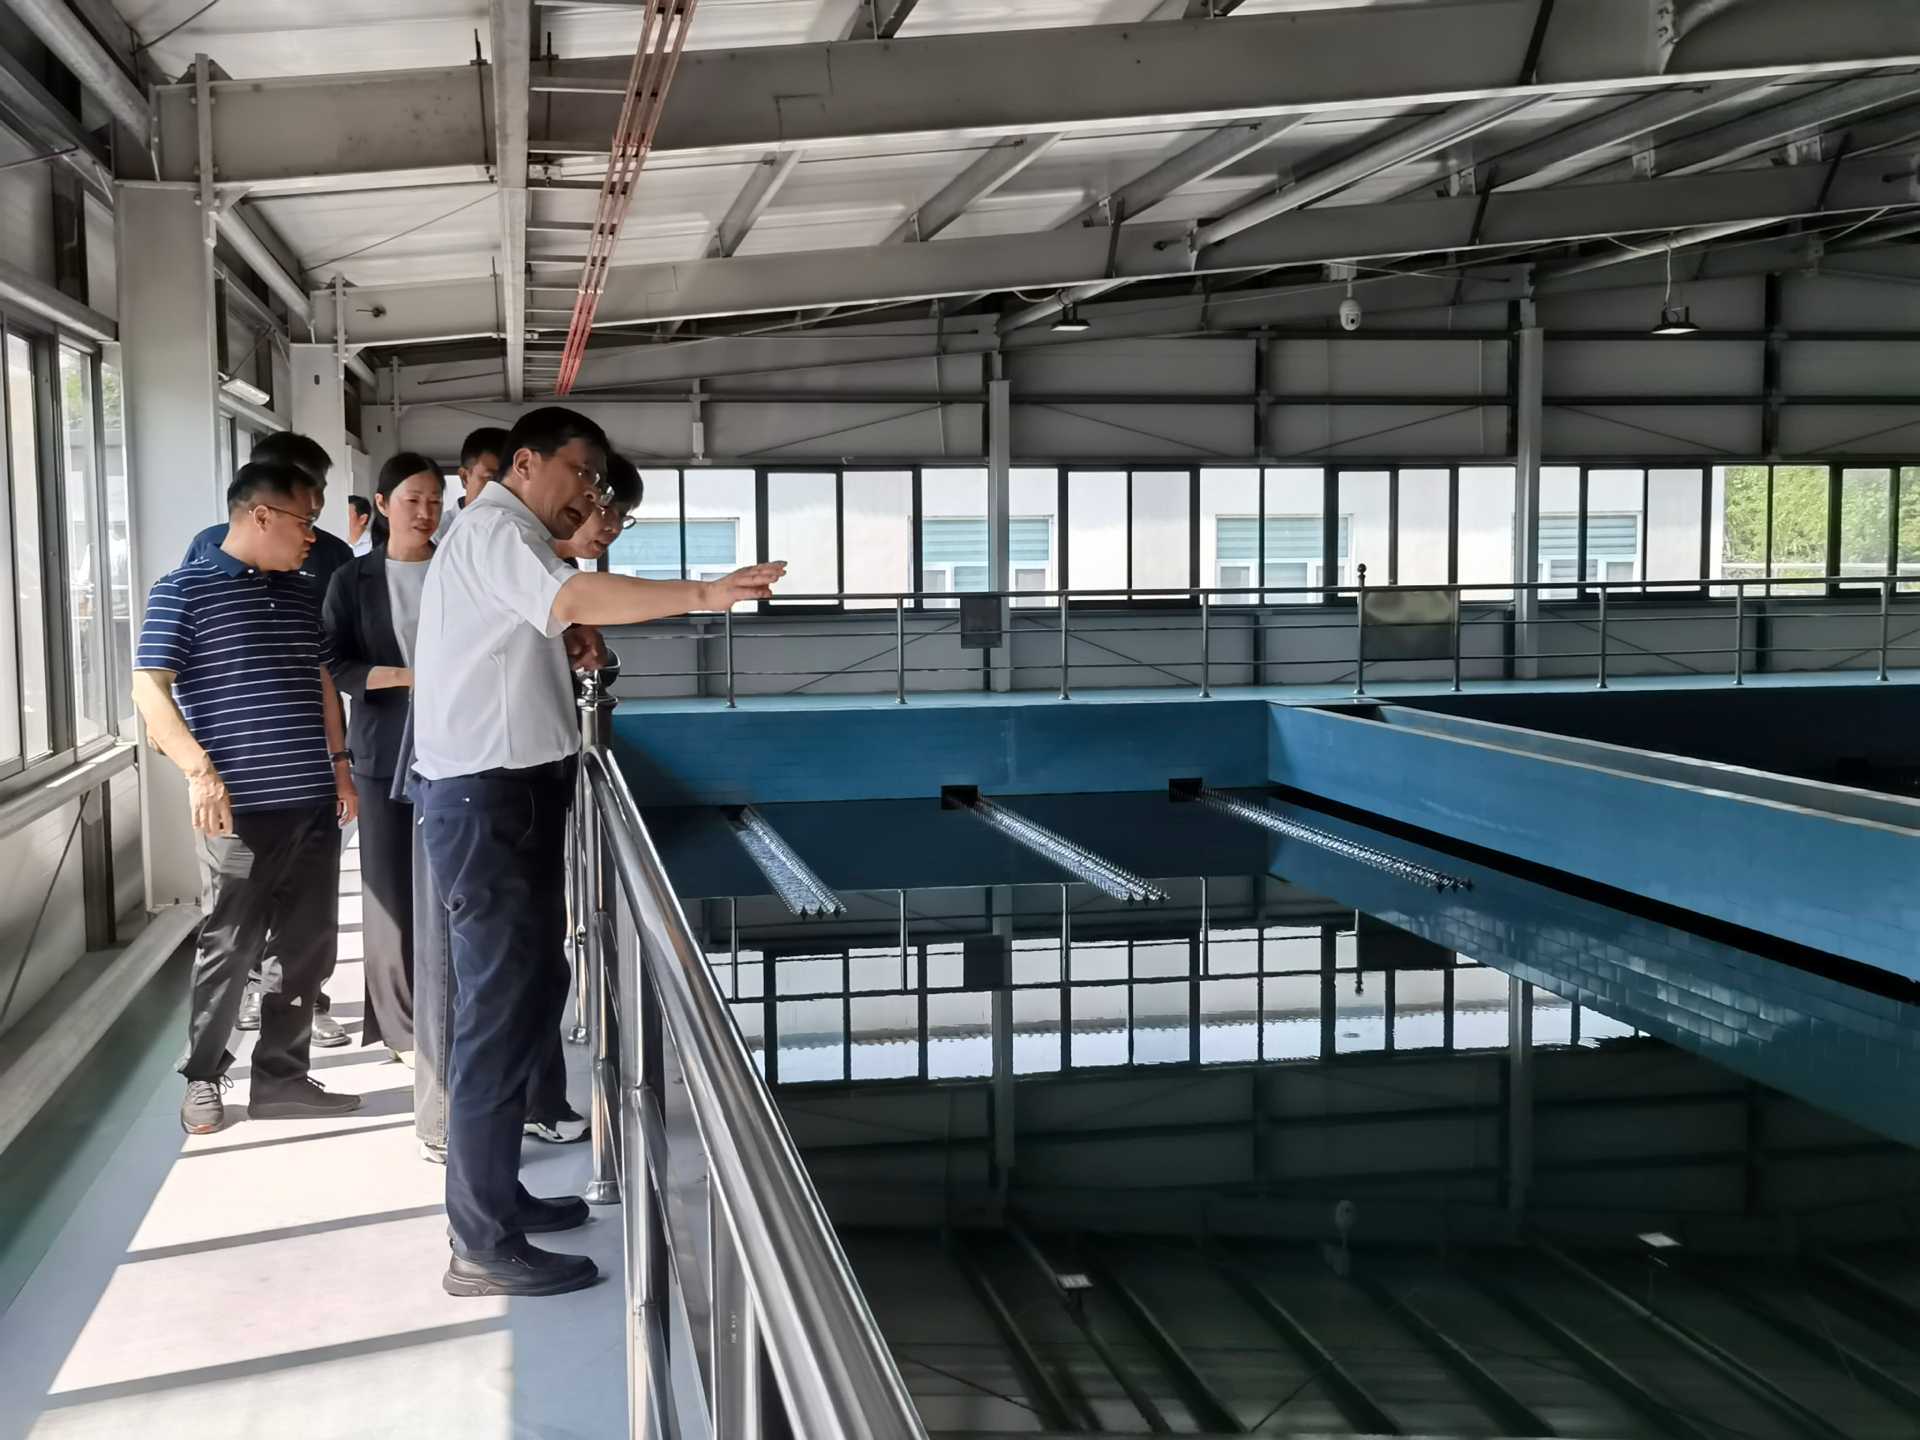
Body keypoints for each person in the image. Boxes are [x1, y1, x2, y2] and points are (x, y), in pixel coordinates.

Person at [413, 407, 782, 1297]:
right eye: (581, 471)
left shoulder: (512, 540)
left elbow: (552, 617)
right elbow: (571, 598)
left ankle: (499, 1197)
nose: (589, 492)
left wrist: (568, 639)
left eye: (596, 479)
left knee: (533, 993)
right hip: (488, 800)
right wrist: (705, 594)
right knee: (499, 1016)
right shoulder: (496, 531)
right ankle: (479, 1242)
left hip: (513, 794)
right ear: (526, 461)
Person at [132, 461, 366, 1135]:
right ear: (261, 515)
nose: (313, 538)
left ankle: (282, 1078)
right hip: (236, 812)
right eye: (305, 523)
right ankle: (203, 1076)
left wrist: (340, 768)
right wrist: (200, 772)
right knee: (230, 945)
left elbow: (322, 683)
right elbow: (149, 687)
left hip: (312, 802)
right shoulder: (182, 589)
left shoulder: (299, 593)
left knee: (307, 944)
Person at [188, 431, 354, 1049]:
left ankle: (307, 1006)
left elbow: (328, 662)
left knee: (309, 907)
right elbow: (186, 658)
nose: (314, 510)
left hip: (304, 759)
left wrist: (339, 761)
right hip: (236, 767)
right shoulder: (207, 549)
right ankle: (240, 1014)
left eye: (317, 492)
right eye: (303, 494)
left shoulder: (330, 555)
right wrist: (198, 765)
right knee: (237, 909)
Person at [322, 454, 444, 1065]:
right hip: (383, 746)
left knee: (447, 883)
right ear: (383, 503)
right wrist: (404, 676)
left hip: (457, 746)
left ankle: (447, 1011)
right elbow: (335, 661)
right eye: (412, 500)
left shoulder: (457, 567)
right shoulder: (353, 578)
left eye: (435, 501)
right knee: (389, 890)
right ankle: (401, 1029)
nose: (425, 512)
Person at [435, 426, 509, 542]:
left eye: (509, 482)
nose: (503, 490)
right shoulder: (437, 537)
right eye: (491, 479)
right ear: (464, 477)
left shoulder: (520, 530)